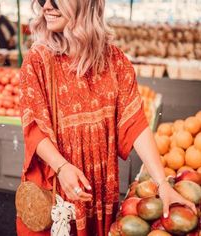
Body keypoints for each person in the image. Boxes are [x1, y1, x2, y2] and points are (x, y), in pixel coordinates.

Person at [17, 0, 196, 235]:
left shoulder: (115, 62)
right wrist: (62, 167)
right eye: (42, 0)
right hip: (54, 192)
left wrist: (163, 183)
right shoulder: (38, 60)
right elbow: (33, 127)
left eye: (56, 0)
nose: (46, 7)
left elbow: (136, 123)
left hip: (98, 191)